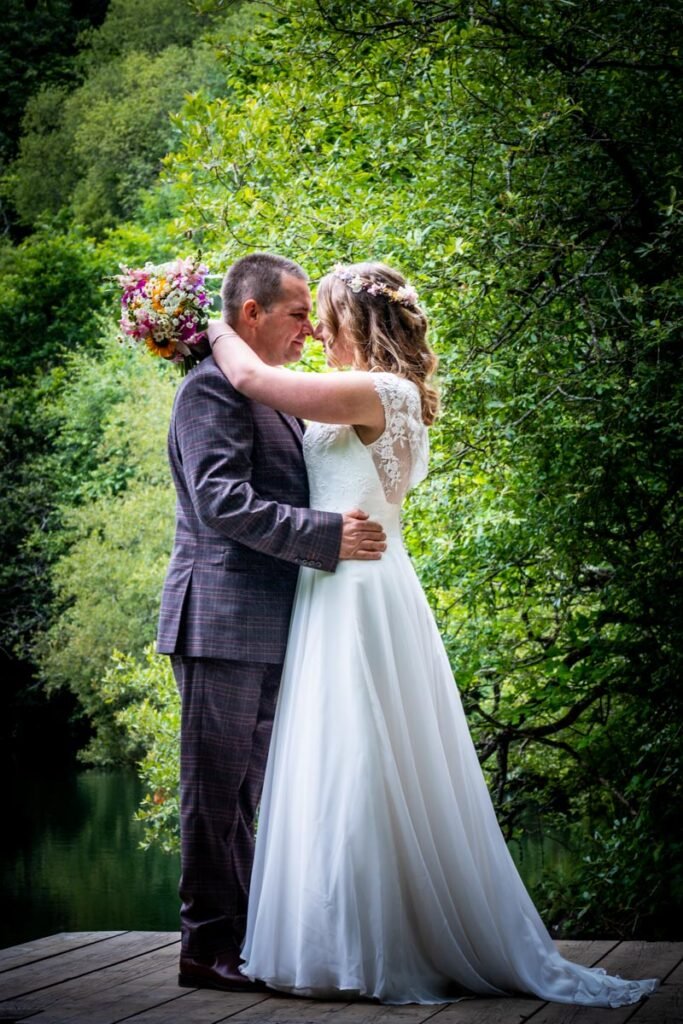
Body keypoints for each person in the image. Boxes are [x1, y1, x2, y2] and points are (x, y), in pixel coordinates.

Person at [206, 260, 659, 1007]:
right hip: (344, 584)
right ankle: (343, 941)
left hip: (356, 590)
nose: (316, 330)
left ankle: (370, 949)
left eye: (325, 315)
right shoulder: (386, 393)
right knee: (345, 758)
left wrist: (209, 325)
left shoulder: (376, 391)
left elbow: (256, 384)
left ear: (361, 323)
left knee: (358, 756)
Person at [156, 253, 387, 993]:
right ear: (249, 314)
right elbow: (222, 502)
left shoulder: (279, 395)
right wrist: (326, 535)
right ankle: (204, 948)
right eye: (296, 314)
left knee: (254, 796)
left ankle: (248, 940)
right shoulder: (208, 390)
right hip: (219, 619)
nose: (309, 331)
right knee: (213, 793)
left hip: (273, 621)